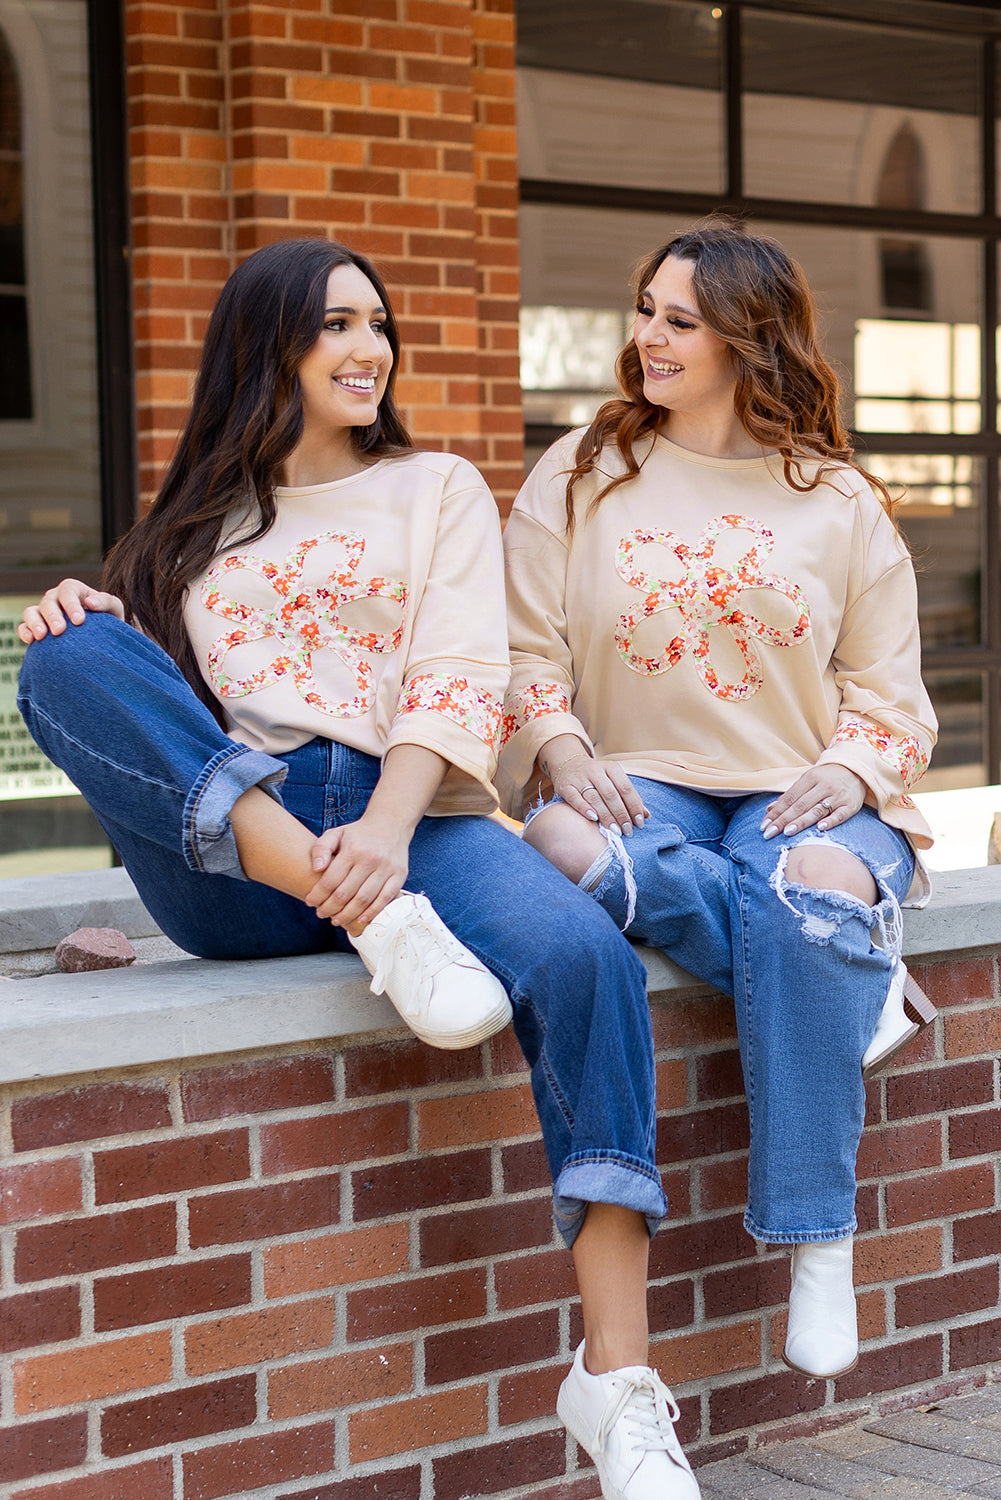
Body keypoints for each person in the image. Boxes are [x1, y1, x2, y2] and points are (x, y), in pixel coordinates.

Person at [17, 238, 702, 1500]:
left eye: (377, 324)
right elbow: (153, 739)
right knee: (62, 651)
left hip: (415, 823)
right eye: (336, 323)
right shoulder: (180, 535)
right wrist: (84, 609)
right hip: (252, 865)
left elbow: (457, 674)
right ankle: (381, 930)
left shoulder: (433, 486)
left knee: (583, 959)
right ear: (264, 343)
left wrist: (384, 839)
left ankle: (615, 1385)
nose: (369, 347)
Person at [499, 221, 937, 1390]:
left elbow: (889, 692)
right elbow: (518, 643)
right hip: (639, 775)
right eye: (643, 309)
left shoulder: (836, 498)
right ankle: (849, 972)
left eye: (675, 320)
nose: (645, 337)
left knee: (808, 876)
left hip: (800, 785)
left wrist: (851, 770)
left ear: (747, 337)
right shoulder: (583, 472)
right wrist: (554, 737)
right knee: (554, 839)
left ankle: (816, 1236)